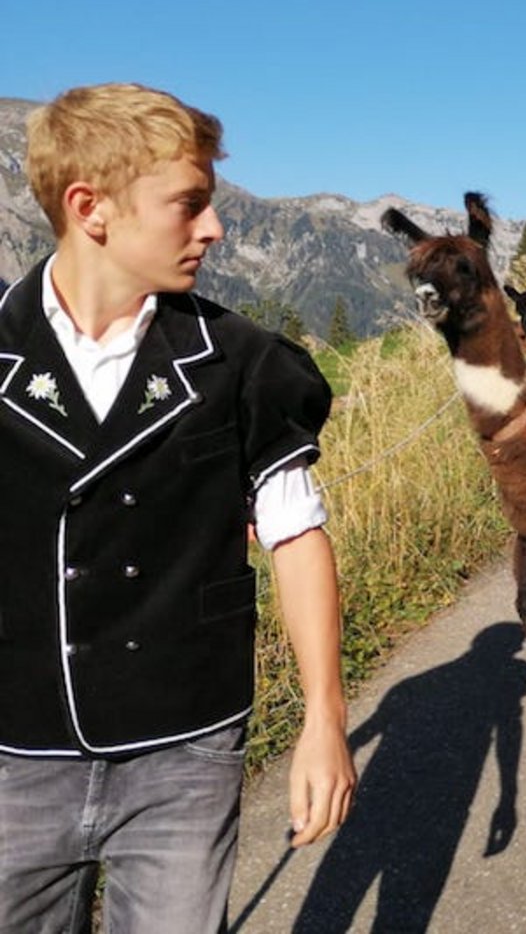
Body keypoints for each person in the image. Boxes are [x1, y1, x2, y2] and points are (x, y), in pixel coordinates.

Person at [0, 83, 356, 931]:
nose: (215, 229)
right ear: (92, 209)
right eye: (189, 206)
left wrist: (325, 720)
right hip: (17, 751)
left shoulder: (244, 364)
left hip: (186, 747)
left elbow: (298, 538)